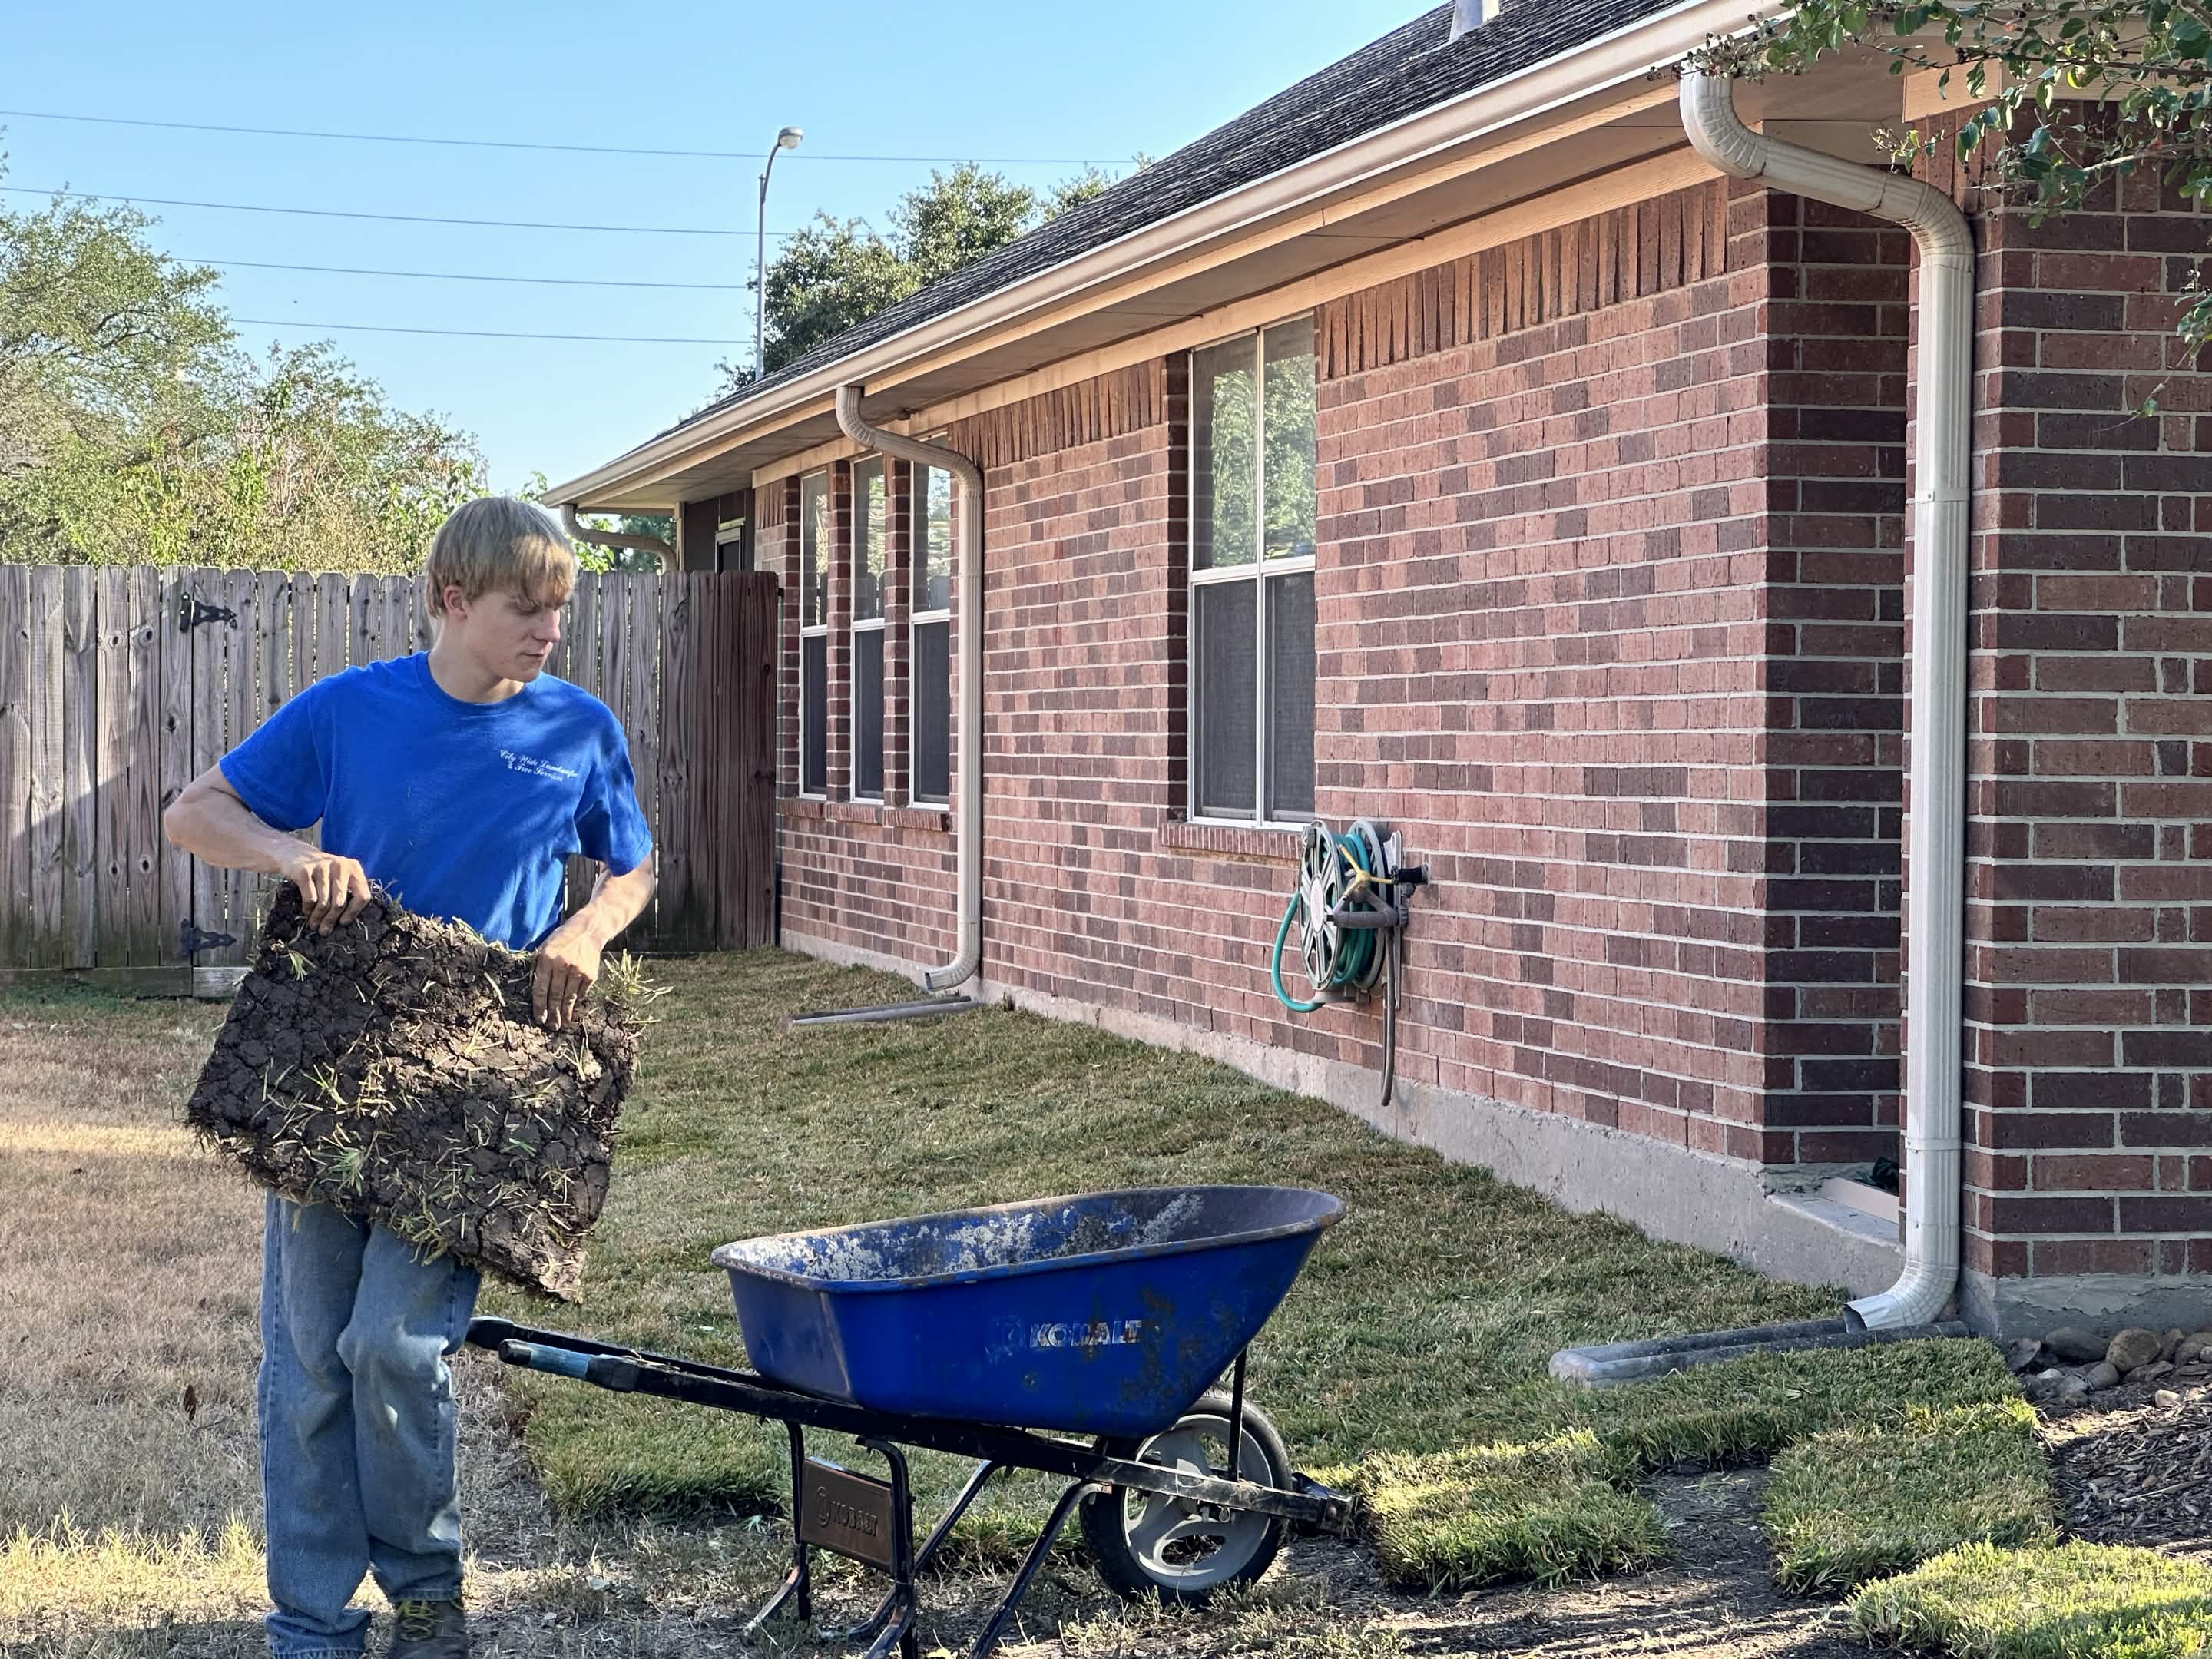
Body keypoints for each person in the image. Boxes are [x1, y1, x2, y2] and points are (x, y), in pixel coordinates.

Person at [164, 496, 656, 1659]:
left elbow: (632, 868)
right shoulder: (351, 710)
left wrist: (587, 932)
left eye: (559, 612)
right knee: (310, 1357)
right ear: (452, 599)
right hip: (339, 1062)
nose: (548, 633)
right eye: (525, 611)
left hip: (484, 1078)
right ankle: (313, 1617)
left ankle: (428, 1590)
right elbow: (195, 812)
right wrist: (293, 852)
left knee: (393, 1341)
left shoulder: (580, 727)